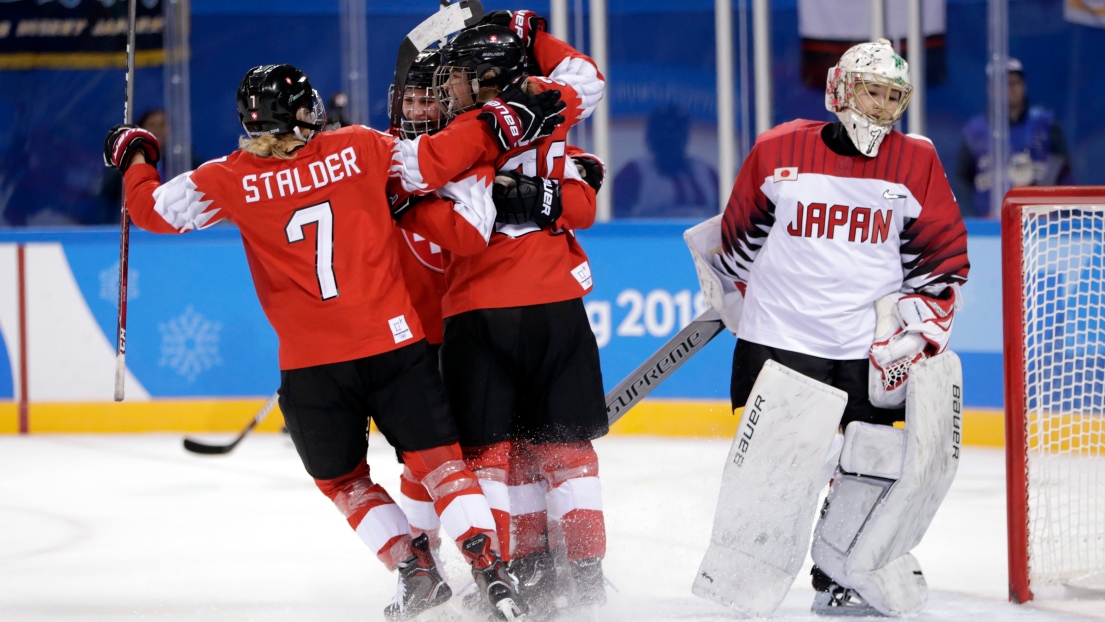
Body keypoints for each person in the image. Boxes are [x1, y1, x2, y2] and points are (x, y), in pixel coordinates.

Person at [102, 62, 566, 621]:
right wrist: (500, 120)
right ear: (303, 111)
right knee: (443, 466)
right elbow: (433, 159)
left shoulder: (230, 177)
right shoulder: (361, 146)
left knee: (343, 480)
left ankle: (414, 569)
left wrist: (136, 154)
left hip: (312, 367)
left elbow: (151, 212)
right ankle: (493, 573)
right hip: (395, 348)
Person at [690, 39, 968, 616]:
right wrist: (733, 293)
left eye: (895, 96)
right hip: (779, 342)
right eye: (872, 90)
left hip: (866, 350)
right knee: (776, 473)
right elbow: (738, 246)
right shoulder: (777, 149)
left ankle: (836, 576)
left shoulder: (917, 161)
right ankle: (741, 583)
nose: (883, 106)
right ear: (840, 89)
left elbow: (940, 264)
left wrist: (915, 333)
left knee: (871, 466)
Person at [398, 16, 610, 620]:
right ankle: (587, 578)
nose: (447, 92)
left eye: (459, 79)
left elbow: (431, 188)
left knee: (492, 456)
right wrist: (532, 29)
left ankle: (510, 578)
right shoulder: (553, 106)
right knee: (567, 452)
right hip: (555, 303)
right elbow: (585, 79)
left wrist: (403, 201)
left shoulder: (466, 131)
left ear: (488, 82)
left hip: (480, 310)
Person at [956, 57, 1074, 218]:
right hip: (988, 228)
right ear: (991, 89)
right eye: (1003, 84)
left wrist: (1061, 215)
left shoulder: (1045, 125)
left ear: (1024, 86)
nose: (1010, 89)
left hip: (1042, 226)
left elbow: (1064, 174)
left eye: (1015, 82)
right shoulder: (974, 131)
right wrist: (971, 219)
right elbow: (962, 181)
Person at [612, 103, 719, 219]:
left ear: (685, 138)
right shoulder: (634, 173)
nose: (669, 145)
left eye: (674, 137)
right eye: (663, 138)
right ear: (651, 139)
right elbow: (617, 217)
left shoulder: (707, 173)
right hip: (653, 236)